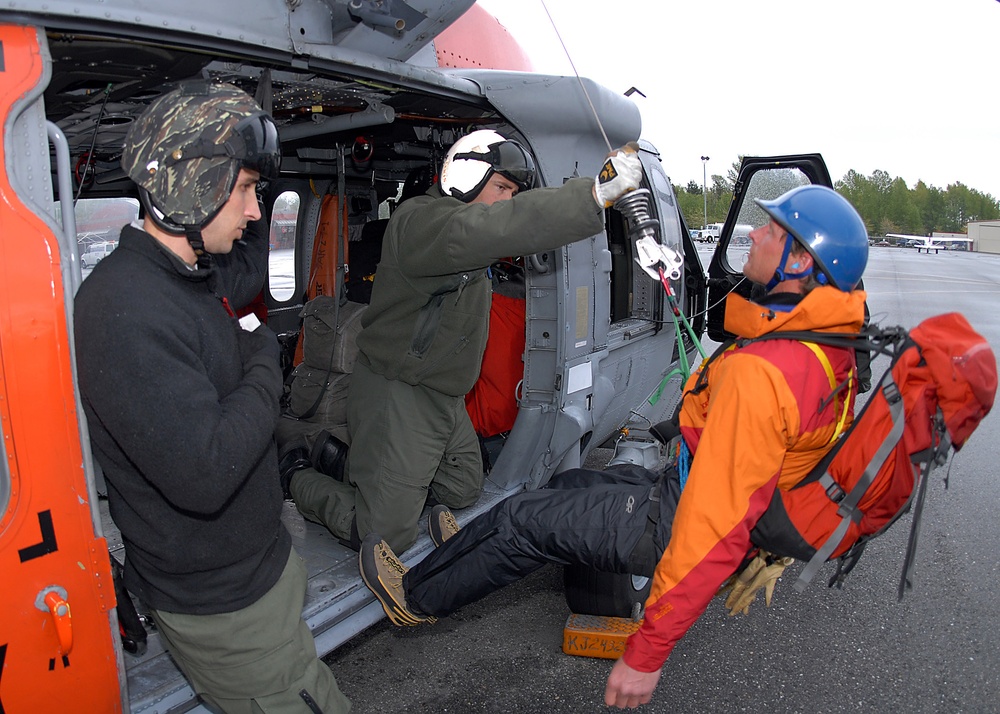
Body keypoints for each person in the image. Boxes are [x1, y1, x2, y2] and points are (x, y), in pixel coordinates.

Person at [356, 184, 870, 708]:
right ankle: (459, 557)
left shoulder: (769, 372)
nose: (756, 234)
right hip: (687, 483)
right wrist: (683, 429)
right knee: (565, 487)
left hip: (682, 512)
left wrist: (648, 654)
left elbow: (714, 526)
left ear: (801, 261)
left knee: (523, 521)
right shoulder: (825, 338)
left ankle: (413, 598)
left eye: (773, 231)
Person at [75, 82, 350, 714]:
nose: (256, 211)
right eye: (248, 188)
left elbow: (243, 277)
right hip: (228, 606)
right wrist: (266, 364)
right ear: (194, 187)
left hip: (254, 567)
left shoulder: (185, 276)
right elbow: (206, 472)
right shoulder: (125, 309)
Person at [283, 129, 645, 553]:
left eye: (513, 191)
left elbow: (494, 228)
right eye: (501, 187)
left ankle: (357, 465)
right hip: (400, 394)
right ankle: (297, 472)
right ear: (467, 176)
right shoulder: (425, 222)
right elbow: (492, 227)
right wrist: (592, 196)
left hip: (443, 396)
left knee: (461, 491)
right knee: (382, 536)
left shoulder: (463, 233)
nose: (507, 199)